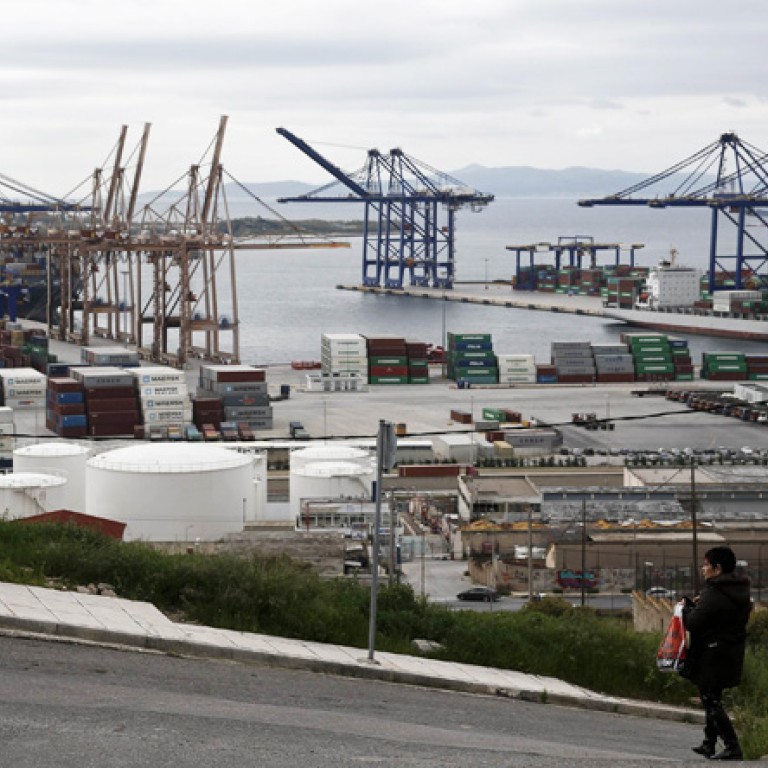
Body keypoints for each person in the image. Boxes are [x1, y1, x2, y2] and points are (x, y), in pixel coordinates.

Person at [682, 546, 752, 761]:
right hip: (729, 651)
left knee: (710, 699)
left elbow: (693, 623)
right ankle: (709, 742)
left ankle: (732, 745)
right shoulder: (738, 591)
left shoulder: (715, 592)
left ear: (717, 568)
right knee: (713, 696)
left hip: (713, 654)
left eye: (706, 565)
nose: (703, 569)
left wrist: (685, 609)